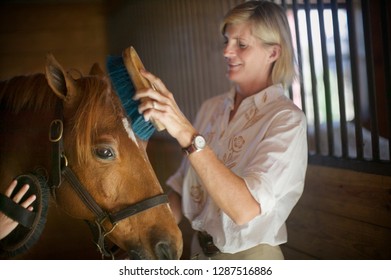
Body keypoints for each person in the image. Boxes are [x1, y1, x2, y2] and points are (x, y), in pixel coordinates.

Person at [133, 0, 308, 259]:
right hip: (197, 252)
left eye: (241, 44)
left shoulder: (286, 119)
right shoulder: (211, 108)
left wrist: (186, 134)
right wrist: (140, 236)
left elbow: (244, 210)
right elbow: (183, 191)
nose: (227, 52)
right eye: (226, 41)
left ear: (273, 53)